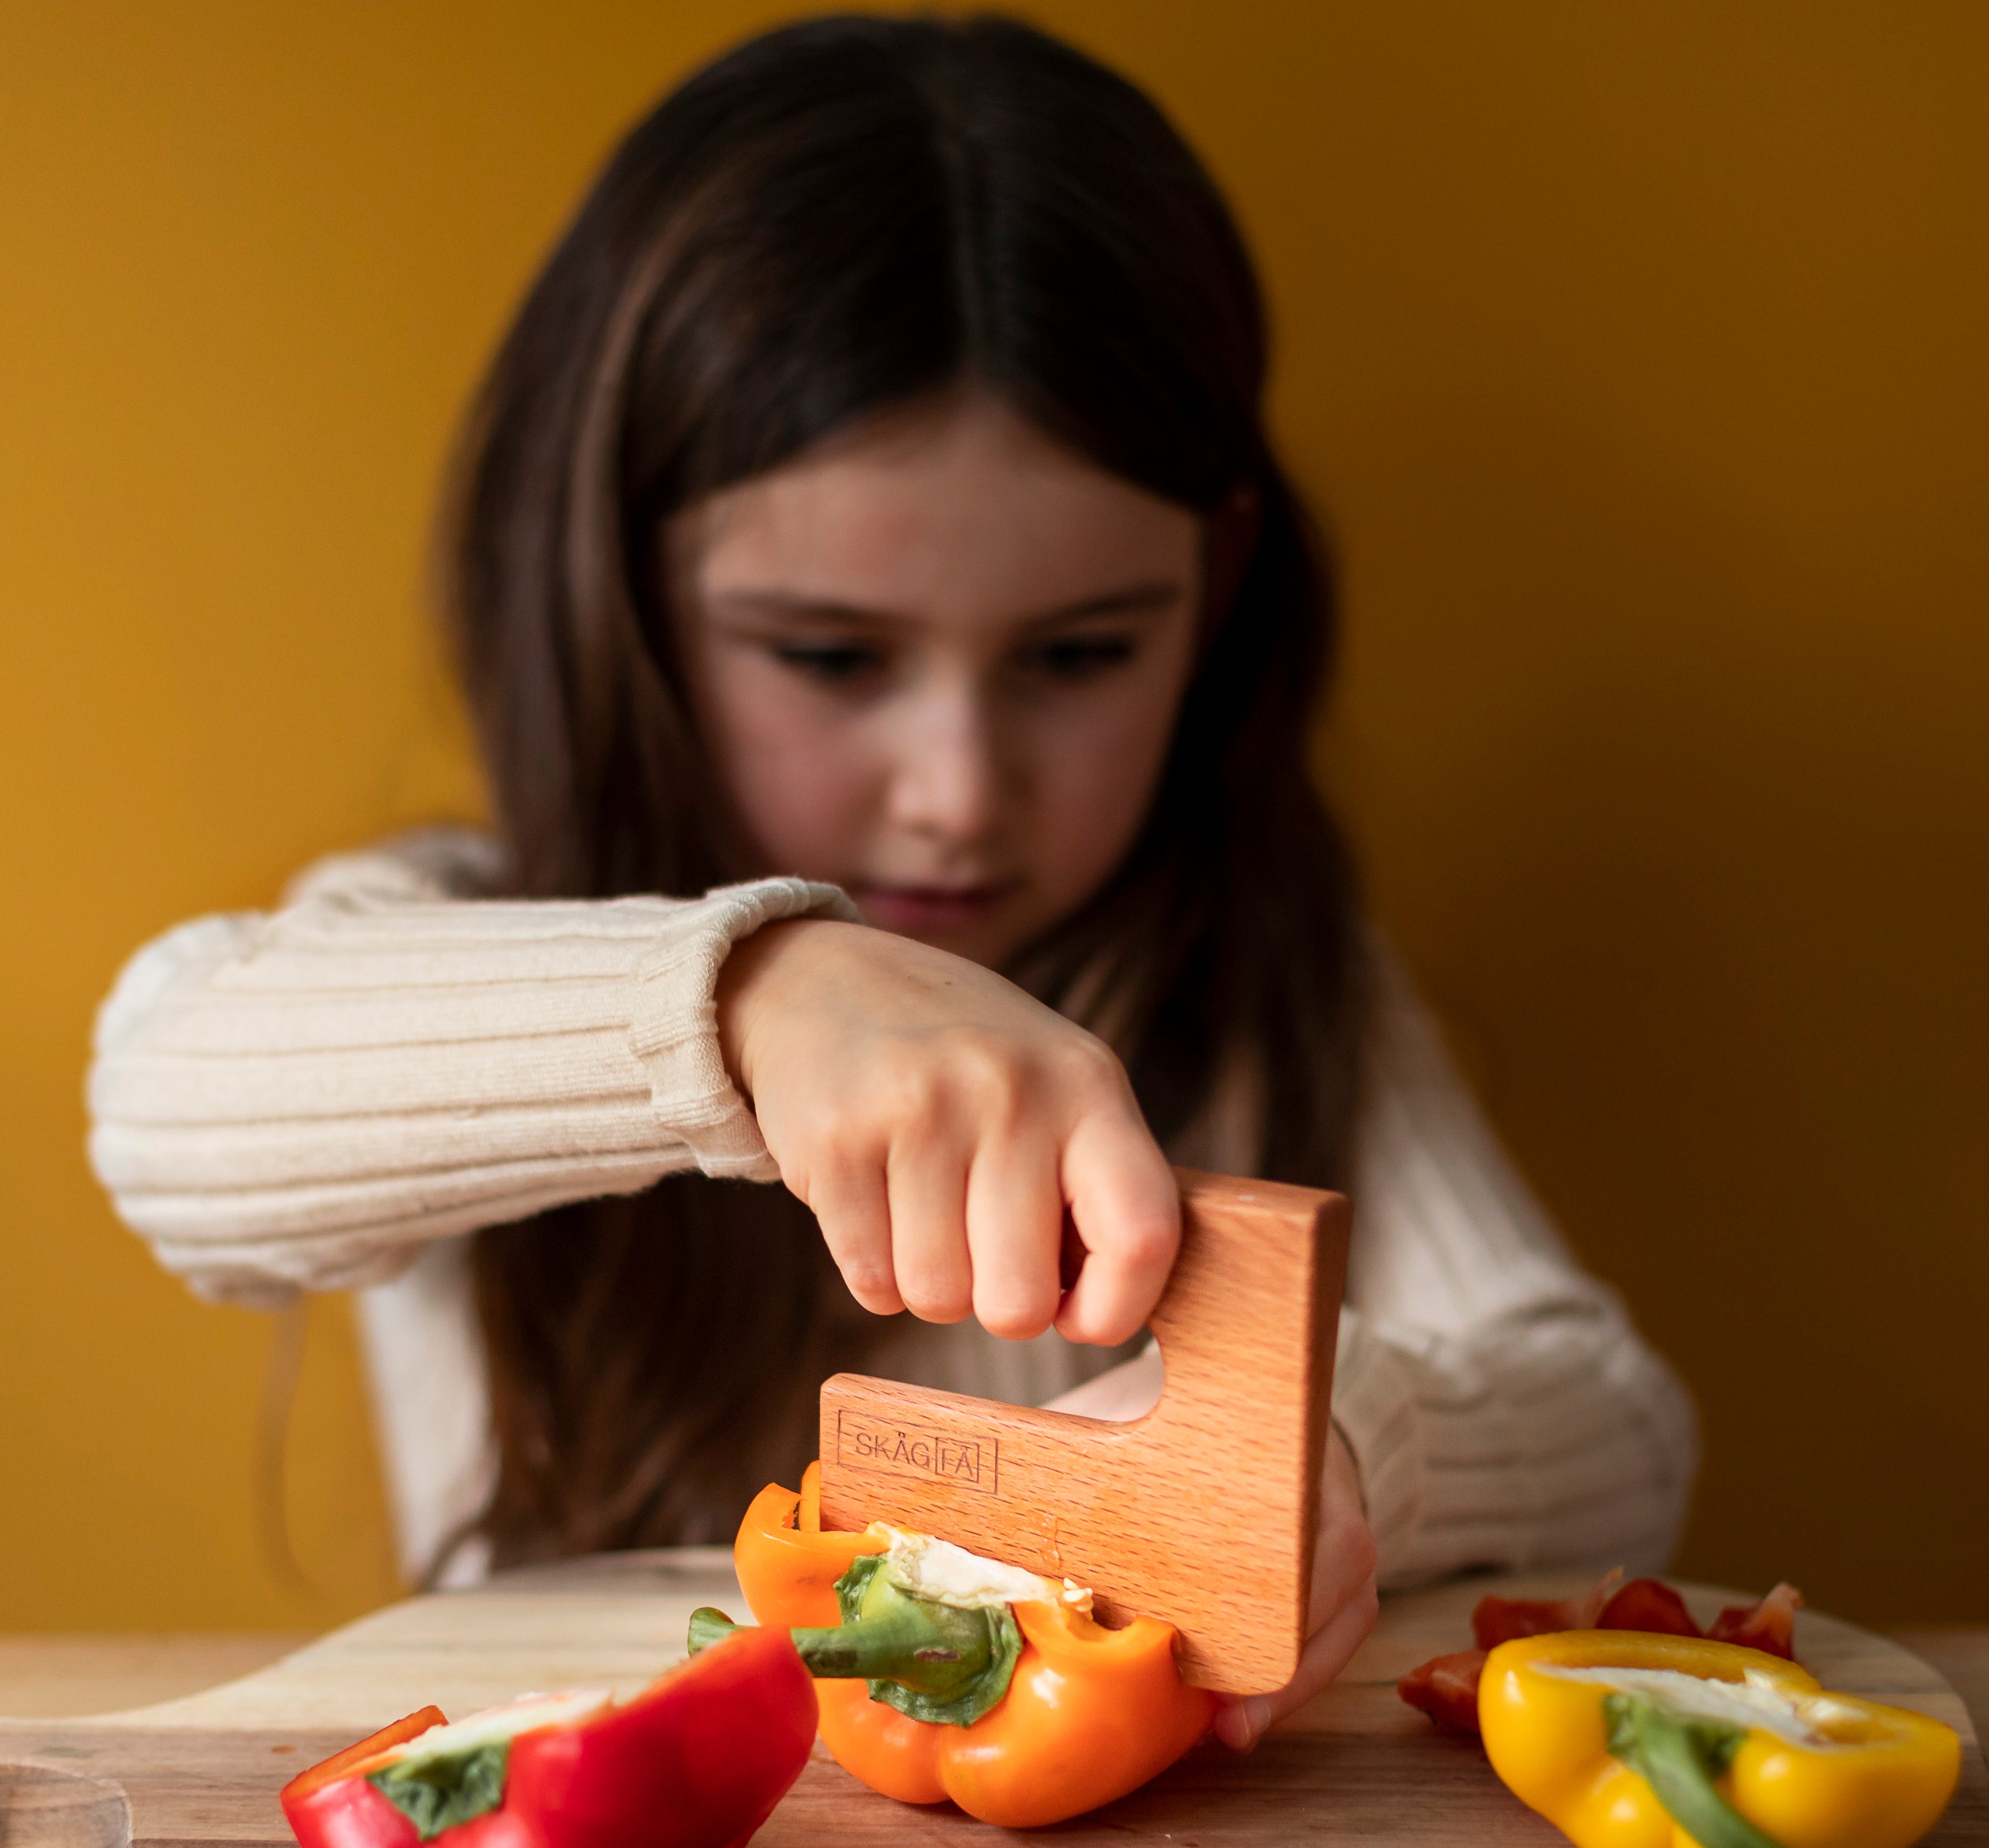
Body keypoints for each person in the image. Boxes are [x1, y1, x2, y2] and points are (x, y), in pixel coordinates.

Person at [86, 13, 1694, 1751]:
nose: (953, 797)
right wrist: (750, 999)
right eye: (830, 656)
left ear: (1215, 588)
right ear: (624, 595)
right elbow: (169, 1111)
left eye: (1079, 653)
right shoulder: (454, 925)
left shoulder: (1265, 963)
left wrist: (1336, 1436)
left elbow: (1613, 1420)